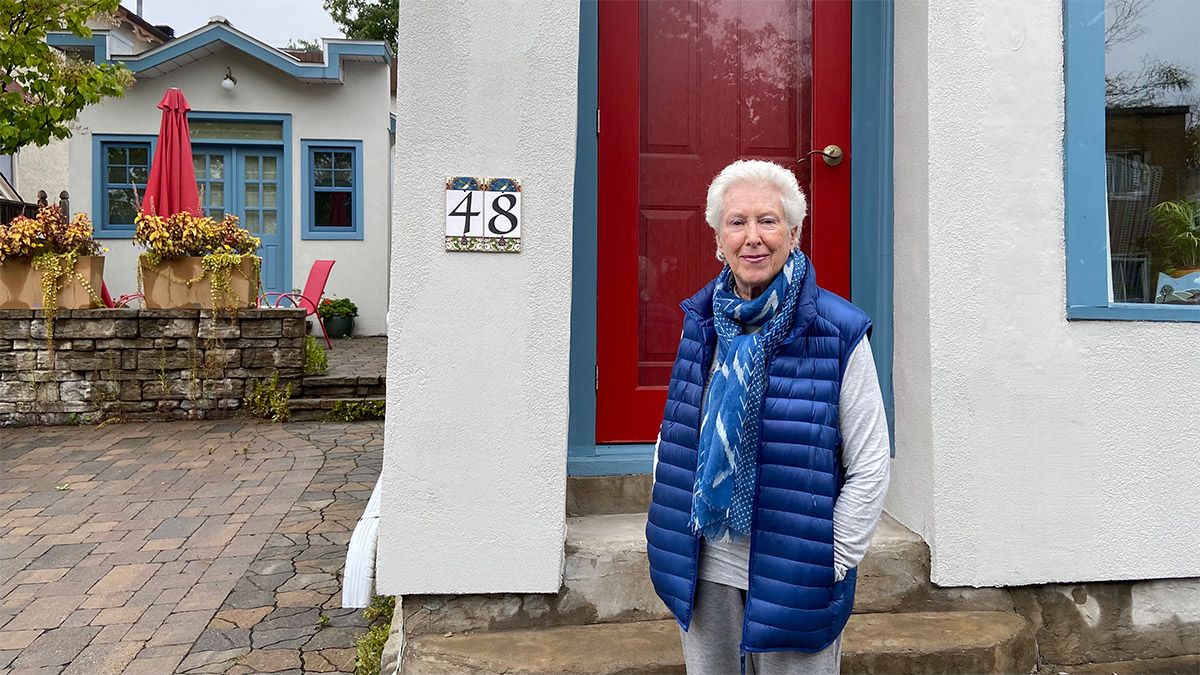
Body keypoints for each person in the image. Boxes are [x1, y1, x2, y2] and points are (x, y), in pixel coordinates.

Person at [646, 159, 891, 674]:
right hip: (703, 566)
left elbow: (870, 463)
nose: (752, 238)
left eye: (768, 221)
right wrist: (667, 524)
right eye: (737, 222)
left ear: (794, 233)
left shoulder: (837, 330)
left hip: (797, 571)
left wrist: (834, 559)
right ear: (718, 237)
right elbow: (677, 435)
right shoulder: (701, 323)